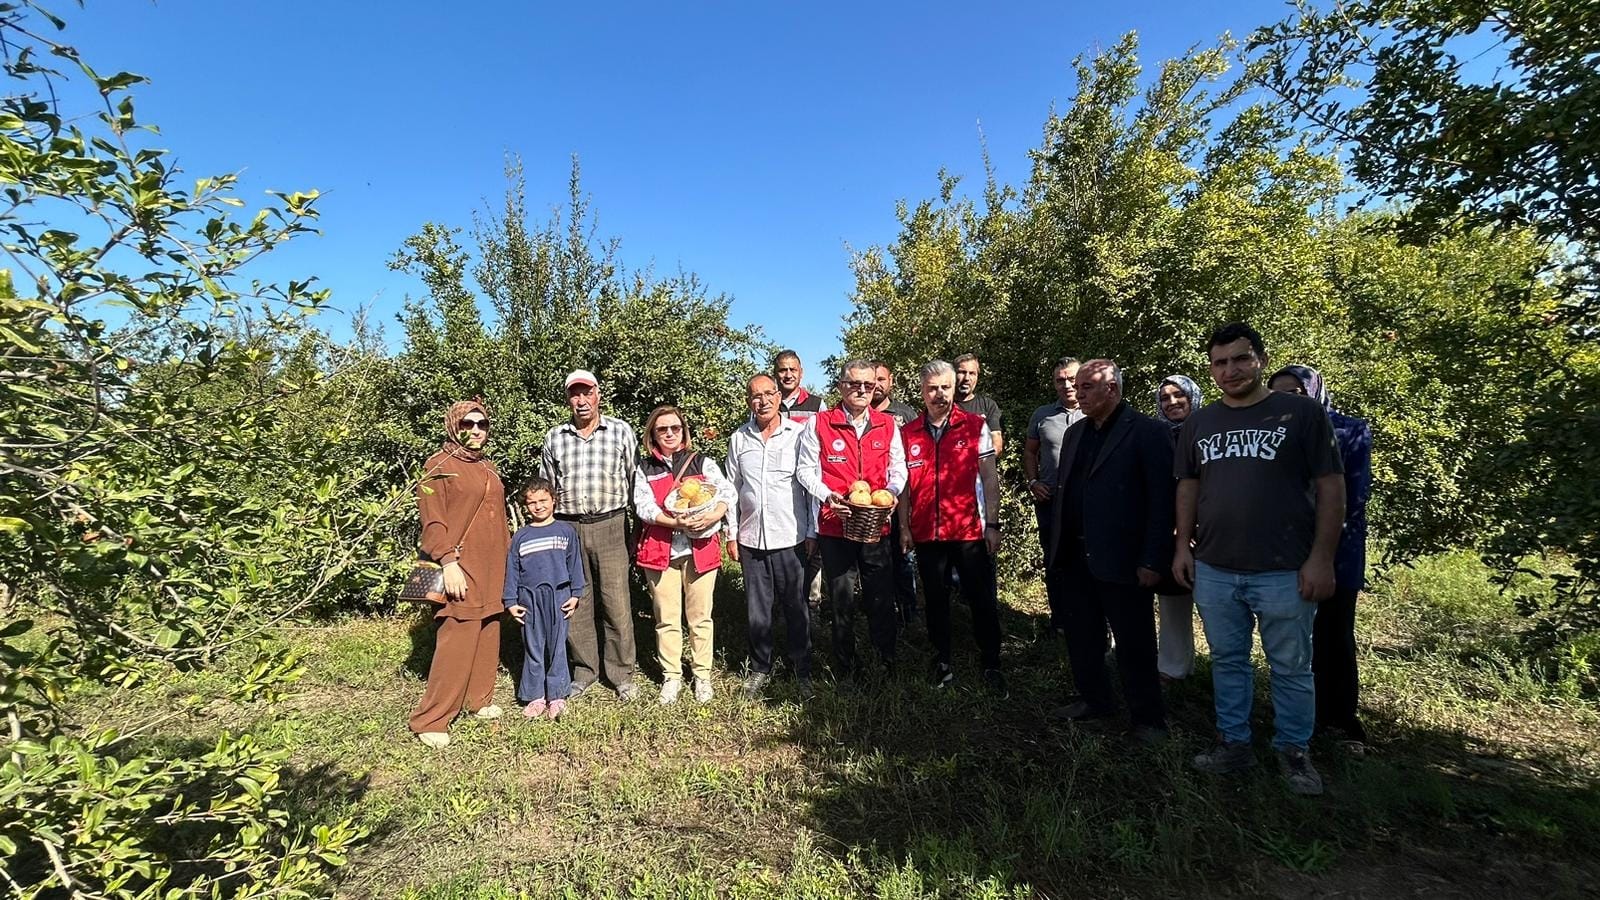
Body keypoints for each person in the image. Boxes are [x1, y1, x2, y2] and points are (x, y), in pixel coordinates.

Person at [1173, 323, 1345, 796]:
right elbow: (1188, 485)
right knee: (1228, 661)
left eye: (1240, 359)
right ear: (1210, 369)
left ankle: (1293, 752)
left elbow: (1332, 488)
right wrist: (1181, 546)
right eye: (1220, 362)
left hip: (1284, 568)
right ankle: (1234, 743)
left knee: (1290, 666)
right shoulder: (1200, 422)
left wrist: (1321, 559)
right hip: (1215, 566)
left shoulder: (1300, 414)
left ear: (1260, 360)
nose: (1230, 370)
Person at [1045, 361, 1173, 742]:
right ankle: (1094, 699)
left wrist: (1153, 558)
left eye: (1086, 387)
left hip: (1124, 559)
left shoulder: (1149, 432)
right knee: (1082, 635)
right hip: (1075, 554)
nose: (1077, 393)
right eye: (1076, 386)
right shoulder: (1075, 433)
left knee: (1134, 642)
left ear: (1112, 389)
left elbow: (1161, 502)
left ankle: (1148, 719)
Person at [1269, 364, 1372, 745]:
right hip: (1283, 552)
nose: (1287, 400)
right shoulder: (1274, 432)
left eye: (1295, 392)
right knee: (1293, 639)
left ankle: (1340, 721)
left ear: (1313, 392)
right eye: (1278, 394)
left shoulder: (1348, 431)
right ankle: (1298, 719)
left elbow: (1354, 497)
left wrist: (1319, 545)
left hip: (1336, 553)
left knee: (1333, 636)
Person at [897, 360, 1007, 696]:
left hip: (969, 532)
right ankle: (941, 659)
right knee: (935, 599)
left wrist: (993, 523)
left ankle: (991, 662)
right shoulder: (908, 433)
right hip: (927, 534)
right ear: (922, 391)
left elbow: (989, 478)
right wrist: (903, 527)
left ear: (954, 385)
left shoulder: (975, 425)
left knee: (981, 599)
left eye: (945, 386)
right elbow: (902, 487)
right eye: (932, 388)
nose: (939, 394)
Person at [797, 358, 908, 680]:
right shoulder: (819, 424)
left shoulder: (888, 425)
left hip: (876, 525)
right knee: (841, 600)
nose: (861, 390)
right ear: (841, 386)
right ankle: (846, 667)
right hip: (836, 523)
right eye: (854, 384)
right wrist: (827, 494)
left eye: (868, 385)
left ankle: (885, 662)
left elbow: (898, 467)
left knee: (880, 597)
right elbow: (805, 471)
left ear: (876, 387)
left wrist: (890, 491)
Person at [409, 399, 510, 749]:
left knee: (487, 631)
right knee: (458, 637)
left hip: (493, 563)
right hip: (460, 565)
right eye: (468, 424)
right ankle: (431, 718)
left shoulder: (489, 468)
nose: (476, 430)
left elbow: (499, 520)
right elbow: (433, 521)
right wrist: (448, 562)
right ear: (454, 426)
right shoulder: (437, 465)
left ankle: (477, 700)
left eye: (482, 424)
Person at [540, 370, 641, 701]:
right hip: (568, 527)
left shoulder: (621, 432)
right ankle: (584, 671)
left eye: (587, 393)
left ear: (598, 394)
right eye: (575, 394)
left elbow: (634, 484)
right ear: (568, 399)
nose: (581, 400)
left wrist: (635, 528)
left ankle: (622, 674)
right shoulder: (556, 438)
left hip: (611, 524)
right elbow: (547, 489)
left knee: (617, 602)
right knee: (577, 602)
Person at [633, 405, 735, 705]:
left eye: (674, 428)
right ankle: (672, 676)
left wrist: (713, 515)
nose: (669, 434)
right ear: (652, 433)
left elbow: (728, 493)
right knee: (666, 618)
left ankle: (701, 676)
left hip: (699, 548)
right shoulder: (644, 467)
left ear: (683, 431)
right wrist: (675, 522)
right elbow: (644, 507)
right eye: (662, 429)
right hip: (660, 550)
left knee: (700, 618)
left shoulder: (701, 462)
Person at [727, 374, 816, 699]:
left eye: (768, 394)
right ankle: (760, 668)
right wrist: (732, 533)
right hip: (752, 540)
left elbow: (808, 488)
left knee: (796, 606)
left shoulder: (799, 434)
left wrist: (811, 531)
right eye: (755, 396)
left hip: (791, 537)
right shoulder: (739, 438)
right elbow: (732, 489)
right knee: (757, 609)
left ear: (779, 397)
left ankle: (801, 669)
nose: (762, 401)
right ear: (748, 400)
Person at [503, 476, 583, 720]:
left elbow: (575, 564)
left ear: (553, 501)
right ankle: (535, 695)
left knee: (557, 647)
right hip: (530, 600)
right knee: (534, 648)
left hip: (558, 597)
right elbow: (512, 570)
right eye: (532, 502)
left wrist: (576, 593)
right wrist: (510, 601)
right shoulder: (521, 537)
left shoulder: (565, 531)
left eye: (543, 500)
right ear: (525, 506)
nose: (538, 506)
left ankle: (557, 695)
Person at [1025, 357, 1083, 636]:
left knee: (1089, 559)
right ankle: (1060, 619)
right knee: (1055, 559)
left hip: (1087, 503)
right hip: (1050, 501)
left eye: (1071, 378)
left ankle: (1096, 620)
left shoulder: (1095, 411)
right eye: (1060, 379)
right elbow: (1030, 452)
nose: (1067, 384)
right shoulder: (1042, 415)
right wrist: (1033, 481)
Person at [1153, 374, 1203, 681]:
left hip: (1213, 530)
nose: (1171, 402)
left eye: (1178, 395)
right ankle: (1174, 667)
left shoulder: (1211, 429)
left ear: (1192, 396)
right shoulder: (1157, 435)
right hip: (1170, 530)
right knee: (1173, 600)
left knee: (1220, 607)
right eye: (1165, 398)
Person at [873, 360, 920, 625]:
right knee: (876, 559)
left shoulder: (905, 413)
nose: (877, 385)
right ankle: (881, 610)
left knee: (903, 554)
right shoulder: (860, 413)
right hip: (870, 500)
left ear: (891, 381)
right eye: (873, 379)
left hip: (902, 494)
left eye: (882, 379)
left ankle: (909, 611)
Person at [954, 353, 1004, 458]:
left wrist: (977, 464)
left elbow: (997, 444)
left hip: (980, 470)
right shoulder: (943, 406)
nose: (967, 378)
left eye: (972, 373)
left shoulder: (988, 405)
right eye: (962, 372)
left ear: (977, 376)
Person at [774, 349, 826, 426]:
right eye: (783, 370)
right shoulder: (766, 404)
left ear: (801, 373)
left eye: (793, 370)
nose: (788, 375)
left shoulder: (817, 405)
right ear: (774, 373)